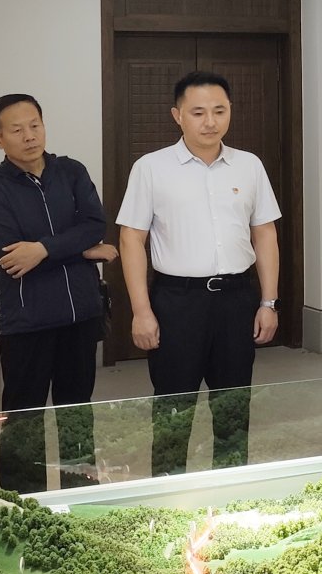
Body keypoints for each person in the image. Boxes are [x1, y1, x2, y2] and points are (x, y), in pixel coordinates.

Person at [117, 71, 280, 476]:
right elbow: (131, 239)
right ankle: (168, 495)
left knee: (233, 408)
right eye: (198, 112)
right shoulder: (151, 168)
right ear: (177, 115)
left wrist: (268, 302)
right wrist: (141, 311)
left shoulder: (249, 166)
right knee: (173, 409)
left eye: (219, 111)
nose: (210, 121)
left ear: (230, 111)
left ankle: (230, 493)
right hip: (177, 302)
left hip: (236, 299)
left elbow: (265, 234)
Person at [0, 94, 116, 492]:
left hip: (80, 314)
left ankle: (80, 493)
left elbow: (94, 225)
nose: (29, 136)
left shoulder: (71, 172)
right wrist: (81, 251)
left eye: (35, 125)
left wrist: (43, 249)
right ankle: (23, 502)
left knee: (76, 412)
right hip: (27, 320)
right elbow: (13, 257)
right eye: (17, 129)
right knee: (24, 418)